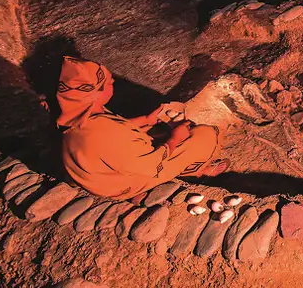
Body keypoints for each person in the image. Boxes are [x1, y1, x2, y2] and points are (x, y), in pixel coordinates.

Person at [55, 56, 229, 200]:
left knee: (158, 130)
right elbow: (151, 165)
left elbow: (115, 132)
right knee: (205, 135)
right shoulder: (104, 133)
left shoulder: (79, 114)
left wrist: (146, 119)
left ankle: (185, 161)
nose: (113, 81)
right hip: (122, 183)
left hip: (97, 171)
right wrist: (176, 138)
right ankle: (196, 171)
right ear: (97, 92)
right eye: (108, 82)